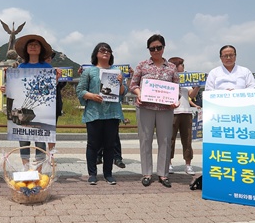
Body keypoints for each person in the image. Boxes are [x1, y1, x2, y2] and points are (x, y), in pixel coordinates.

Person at [129, 34, 179, 188]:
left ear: (164, 48)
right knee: (145, 140)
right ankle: (146, 173)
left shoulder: (172, 67)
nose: (156, 50)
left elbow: (176, 88)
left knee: (165, 140)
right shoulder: (142, 65)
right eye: (152, 48)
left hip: (165, 109)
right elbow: (133, 85)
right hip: (145, 108)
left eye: (159, 47)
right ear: (148, 49)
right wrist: (139, 94)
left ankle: (163, 174)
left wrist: (175, 100)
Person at [76, 42, 127, 185]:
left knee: (110, 145)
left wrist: (121, 83)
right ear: (96, 54)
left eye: (108, 51)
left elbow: (123, 93)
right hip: (94, 113)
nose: (106, 52)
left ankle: (108, 174)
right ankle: (92, 174)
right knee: (92, 144)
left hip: (112, 113)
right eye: (102, 50)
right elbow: (80, 90)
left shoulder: (117, 72)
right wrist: (92, 96)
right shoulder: (89, 72)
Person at [8, 34, 57, 169]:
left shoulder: (48, 68)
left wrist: (56, 80)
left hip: (42, 110)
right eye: (31, 44)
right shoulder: (20, 68)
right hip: (22, 106)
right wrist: (5, 88)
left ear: (41, 49)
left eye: (36, 45)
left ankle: (39, 172)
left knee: (40, 142)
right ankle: (26, 169)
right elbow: (14, 89)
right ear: (26, 49)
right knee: (23, 140)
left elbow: (51, 89)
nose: (33, 47)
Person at [167, 57, 200, 175]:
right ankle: (168, 163)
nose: (183, 67)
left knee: (187, 139)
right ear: (175, 66)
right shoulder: (168, 78)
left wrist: (197, 86)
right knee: (170, 139)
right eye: (181, 65)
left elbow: (191, 94)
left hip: (186, 112)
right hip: (172, 112)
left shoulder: (187, 78)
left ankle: (188, 164)